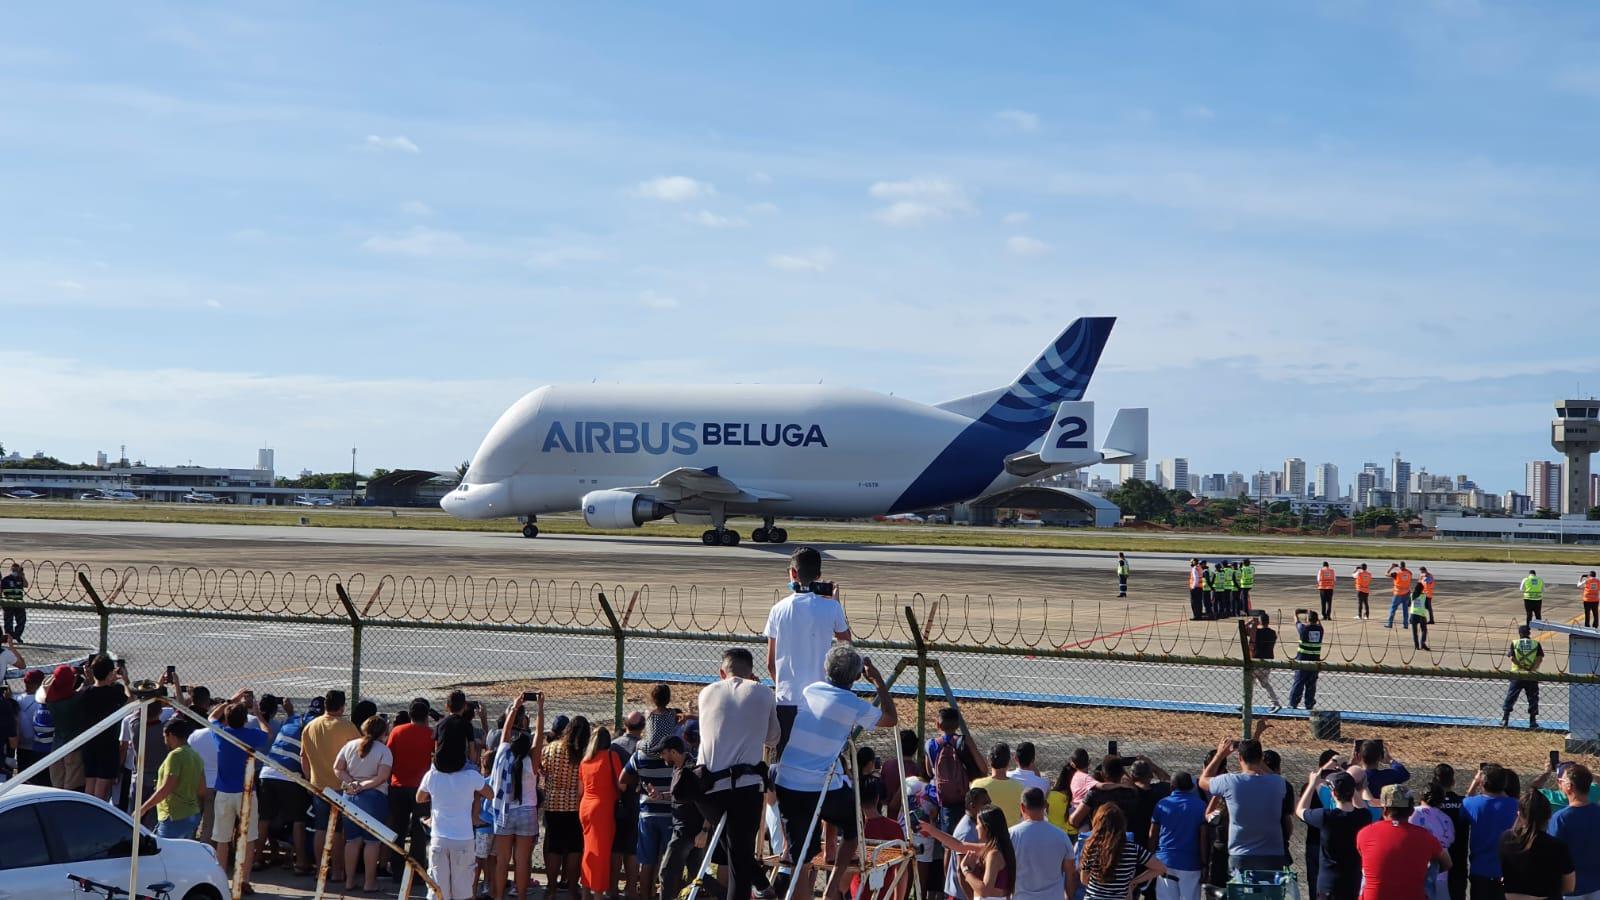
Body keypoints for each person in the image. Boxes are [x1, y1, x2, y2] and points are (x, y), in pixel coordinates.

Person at [775, 645, 896, 900]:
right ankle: (832, 888)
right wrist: (878, 681)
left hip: (787, 780)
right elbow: (890, 718)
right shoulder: (853, 704)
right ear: (856, 677)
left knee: (801, 856)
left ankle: (807, 873)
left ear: (825, 669)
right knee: (853, 825)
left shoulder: (810, 690)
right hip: (817, 786)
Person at [695, 647, 780, 900]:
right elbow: (773, 738)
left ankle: (762, 885)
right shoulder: (763, 693)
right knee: (739, 859)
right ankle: (761, 885)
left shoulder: (706, 692)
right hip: (745, 787)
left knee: (736, 851)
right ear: (752, 674)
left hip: (708, 789)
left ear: (722, 672)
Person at [764, 547, 851, 755]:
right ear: (819, 575)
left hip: (787, 699)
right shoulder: (831, 607)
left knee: (785, 759)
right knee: (820, 757)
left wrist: (783, 686)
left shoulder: (778, 609)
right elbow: (847, 647)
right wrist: (836, 604)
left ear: (793, 573)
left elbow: (770, 663)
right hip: (821, 700)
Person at [419, 718, 494, 900]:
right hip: (463, 838)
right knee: (463, 891)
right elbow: (490, 794)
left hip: (439, 837)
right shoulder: (471, 776)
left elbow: (419, 798)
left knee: (438, 890)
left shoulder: (432, 775)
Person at [1199, 737, 1292, 872]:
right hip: (1272, 853)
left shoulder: (1229, 782)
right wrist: (1259, 761)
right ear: (1260, 758)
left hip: (1240, 853)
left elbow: (1203, 781)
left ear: (1239, 758)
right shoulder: (1278, 783)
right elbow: (1273, 775)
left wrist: (1220, 755)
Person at [485, 694, 543, 900]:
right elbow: (539, 736)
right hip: (527, 811)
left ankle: (499, 896)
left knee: (502, 860)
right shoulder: (531, 761)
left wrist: (515, 707)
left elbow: (506, 732)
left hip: (504, 811)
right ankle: (521, 896)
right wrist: (540, 709)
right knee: (522, 861)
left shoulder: (503, 754)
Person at [301, 689, 361, 885]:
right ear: (342, 706)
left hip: (318, 784)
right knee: (338, 831)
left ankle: (321, 869)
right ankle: (337, 870)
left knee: (320, 828)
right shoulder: (347, 726)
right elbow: (359, 752)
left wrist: (309, 779)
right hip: (341, 785)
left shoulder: (310, 726)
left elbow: (303, 757)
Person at [214, 700, 271, 893]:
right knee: (247, 838)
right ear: (245, 719)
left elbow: (212, 717)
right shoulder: (252, 735)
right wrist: (258, 713)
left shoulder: (221, 733)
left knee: (222, 840)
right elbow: (267, 732)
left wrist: (229, 701)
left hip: (224, 792)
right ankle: (244, 880)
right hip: (246, 792)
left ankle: (221, 880)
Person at [332, 714, 393, 894]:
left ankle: (349, 880)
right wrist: (363, 785)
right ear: (383, 732)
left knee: (352, 840)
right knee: (372, 842)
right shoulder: (384, 751)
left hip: (349, 796)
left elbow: (337, 768)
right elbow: (382, 776)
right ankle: (369, 882)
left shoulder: (349, 745)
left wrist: (351, 782)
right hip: (374, 797)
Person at [1356, 785, 1450, 900]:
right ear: (1411, 811)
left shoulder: (1365, 833)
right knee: (1433, 863)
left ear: (1384, 809)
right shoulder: (1426, 836)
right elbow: (1447, 863)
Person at [261, 695, 319, 877]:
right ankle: (300, 863)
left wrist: (290, 710)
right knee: (298, 819)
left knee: (264, 818)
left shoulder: (293, 719)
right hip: (290, 775)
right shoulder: (316, 726)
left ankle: (256, 858)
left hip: (267, 770)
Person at [622, 710, 674, 900]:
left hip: (647, 812)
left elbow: (623, 778)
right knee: (668, 861)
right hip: (669, 813)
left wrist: (640, 783)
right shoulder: (672, 756)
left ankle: (644, 894)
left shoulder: (640, 755)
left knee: (646, 860)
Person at [1297, 765, 1368, 900]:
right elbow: (1362, 806)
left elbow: (1300, 810)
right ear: (1353, 791)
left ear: (1333, 793)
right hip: (1352, 883)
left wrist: (1312, 784)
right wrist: (1348, 782)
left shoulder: (1325, 817)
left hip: (1329, 884)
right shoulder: (1363, 817)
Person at [920, 805, 1017, 899]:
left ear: (986, 827)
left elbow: (984, 891)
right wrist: (929, 829)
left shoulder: (994, 854)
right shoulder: (992, 849)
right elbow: (959, 845)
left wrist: (966, 870)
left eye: (978, 824)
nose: (976, 827)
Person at [385, 697, 435, 880]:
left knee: (397, 829)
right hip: (421, 788)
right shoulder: (431, 734)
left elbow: (389, 756)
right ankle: (418, 870)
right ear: (427, 716)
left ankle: (397, 870)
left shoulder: (397, 731)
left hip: (398, 785)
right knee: (419, 831)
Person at [542, 714, 589, 899]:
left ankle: (552, 890)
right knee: (574, 849)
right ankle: (572, 889)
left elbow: (543, 771)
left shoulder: (551, 748)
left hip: (553, 804)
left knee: (553, 848)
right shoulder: (584, 753)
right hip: (575, 806)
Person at [1078, 802, 1165, 900]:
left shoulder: (1090, 847)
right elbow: (1160, 868)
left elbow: (1084, 880)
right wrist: (1133, 881)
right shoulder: (1133, 848)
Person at [1500, 789, 1573, 900]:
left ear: (1519, 814)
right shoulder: (1558, 846)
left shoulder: (1506, 839)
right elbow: (1569, 887)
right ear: (1549, 816)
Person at [577, 723, 622, 900]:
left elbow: (580, 790)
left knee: (589, 850)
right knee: (601, 853)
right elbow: (622, 785)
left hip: (585, 807)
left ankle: (586, 891)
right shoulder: (612, 756)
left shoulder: (585, 760)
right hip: (602, 809)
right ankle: (598, 893)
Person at [1008, 787, 1077, 900]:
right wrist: (1070, 896)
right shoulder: (1061, 836)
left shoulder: (1011, 835)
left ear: (1022, 807)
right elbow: (1070, 873)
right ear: (1045, 805)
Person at [139, 718, 204, 839]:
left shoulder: (175, 755)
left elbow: (166, 789)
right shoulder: (196, 755)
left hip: (174, 816)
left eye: (165, 736)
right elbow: (201, 789)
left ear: (171, 735)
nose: (164, 740)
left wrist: (143, 809)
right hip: (192, 814)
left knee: (163, 849)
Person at [926, 706, 985, 832]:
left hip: (943, 799)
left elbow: (929, 772)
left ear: (937, 724)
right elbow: (983, 769)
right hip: (964, 797)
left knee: (947, 835)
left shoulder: (931, 744)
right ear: (958, 725)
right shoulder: (964, 741)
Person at [1464, 765, 1519, 900]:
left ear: (1482, 783)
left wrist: (1474, 784)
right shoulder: (1517, 805)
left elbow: (1465, 804)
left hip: (1480, 871)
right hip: (1508, 871)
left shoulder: (1470, 803)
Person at [79, 655, 129, 802]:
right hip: (108, 745)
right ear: (109, 673)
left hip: (89, 742)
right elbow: (131, 700)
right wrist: (126, 680)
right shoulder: (114, 692)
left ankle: (88, 808)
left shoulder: (85, 693)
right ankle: (97, 810)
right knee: (102, 787)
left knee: (90, 781)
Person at [657, 735, 702, 900]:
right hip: (686, 829)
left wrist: (705, 830)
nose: (661, 757)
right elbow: (680, 794)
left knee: (667, 872)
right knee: (697, 875)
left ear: (674, 752)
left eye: (663, 753)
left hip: (686, 831)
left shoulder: (691, 770)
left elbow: (704, 800)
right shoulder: (678, 768)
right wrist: (662, 796)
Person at [1547, 763, 1600, 900]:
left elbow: (1552, 855)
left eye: (1561, 781)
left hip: (1570, 889)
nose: (1559, 783)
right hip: (1597, 885)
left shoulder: (1560, 818)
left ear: (1569, 786)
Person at [1152, 772, 1206, 900]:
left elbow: (1152, 834)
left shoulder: (1162, 804)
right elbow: (1203, 838)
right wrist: (1204, 862)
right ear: (1192, 787)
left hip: (1165, 861)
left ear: (1171, 787)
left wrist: (1152, 856)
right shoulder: (1201, 806)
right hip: (1191, 862)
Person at [1069, 755, 1139, 832]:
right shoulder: (1131, 793)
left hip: (1099, 836)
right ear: (1122, 774)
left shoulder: (1094, 794)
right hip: (1124, 836)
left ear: (1102, 774)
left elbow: (1074, 820)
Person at [1413, 783, 1456, 900]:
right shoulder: (1446, 819)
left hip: (1416, 870)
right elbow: (1450, 841)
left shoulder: (1412, 813)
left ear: (1421, 796)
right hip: (1440, 872)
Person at [1432, 765, 1468, 900]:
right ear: (1453, 782)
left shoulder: (1429, 805)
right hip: (1458, 860)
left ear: (1434, 781)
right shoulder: (1464, 803)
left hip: (1435, 861)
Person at [971, 743, 1024, 827]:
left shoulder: (977, 784)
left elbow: (972, 812)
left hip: (986, 832)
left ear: (989, 760)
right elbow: (1021, 813)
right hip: (1011, 832)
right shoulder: (1019, 786)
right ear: (1009, 762)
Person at [1503, 625, 1544, 729]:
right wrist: (1531, 669)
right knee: (1533, 697)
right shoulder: (1536, 644)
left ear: (1520, 633)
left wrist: (1521, 666)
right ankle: (1532, 721)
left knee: (1511, 696)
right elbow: (1539, 658)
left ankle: (1505, 719)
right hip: (1531, 675)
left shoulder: (1515, 643)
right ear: (1529, 633)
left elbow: (1512, 658)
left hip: (1517, 674)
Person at [1247, 612, 1284, 712]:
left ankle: (1246, 703)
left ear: (1260, 622)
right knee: (1265, 684)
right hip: (1267, 661)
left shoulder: (1256, 632)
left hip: (1256, 660)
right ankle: (1275, 702)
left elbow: (1244, 630)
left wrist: (1251, 622)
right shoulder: (1272, 633)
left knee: (1249, 683)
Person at [1290, 610, 1325, 711]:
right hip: (1314, 661)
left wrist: (1296, 614)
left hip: (1302, 660)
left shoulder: (1303, 629)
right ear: (1317, 619)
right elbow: (1319, 624)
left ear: (1307, 619)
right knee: (1311, 685)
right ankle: (1309, 704)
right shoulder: (1320, 629)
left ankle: (1293, 703)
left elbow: (1296, 622)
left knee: (1298, 683)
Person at [1, 562, 27, 642]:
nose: (15, 571)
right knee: (8, 621)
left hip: (19, 603)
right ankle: (9, 637)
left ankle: (17, 635)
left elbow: (26, 585)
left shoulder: (20, 579)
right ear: (11, 570)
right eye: (13, 570)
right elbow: (0, 590)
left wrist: (22, 576)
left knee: (22, 620)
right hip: (8, 602)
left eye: (16, 570)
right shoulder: (6, 579)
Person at [1384, 563, 1414, 629]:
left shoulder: (1396, 573)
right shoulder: (1408, 573)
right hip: (1406, 593)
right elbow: (1411, 573)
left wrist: (1392, 567)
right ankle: (1405, 625)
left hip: (1398, 594)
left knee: (1393, 609)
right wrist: (1404, 568)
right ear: (1405, 566)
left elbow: (1386, 574)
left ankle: (1390, 624)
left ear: (1400, 567)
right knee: (1405, 610)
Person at [1410, 583, 1433, 651]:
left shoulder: (1412, 595)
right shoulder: (1424, 596)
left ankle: (1416, 646)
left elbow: (1408, 604)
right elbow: (1427, 606)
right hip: (1421, 615)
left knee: (1414, 632)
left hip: (1413, 615)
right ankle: (1422, 643)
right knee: (1424, 630)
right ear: (1422, 589)